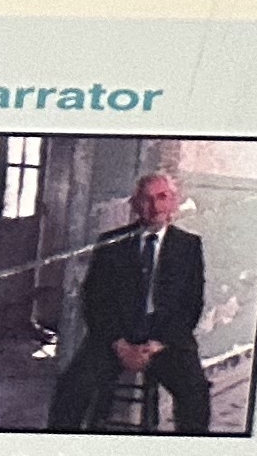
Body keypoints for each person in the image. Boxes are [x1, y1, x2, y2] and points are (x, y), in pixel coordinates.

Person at [48, 171, 210, 435]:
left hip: (165, 341)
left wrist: (157, 344)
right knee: (71, 387)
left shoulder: (189, 246)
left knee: (196, 393)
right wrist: (119, 344)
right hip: (115, 338)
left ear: (173, 202)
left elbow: (191, 305)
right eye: (146, 200)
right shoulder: (112, 243)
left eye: (162, 197)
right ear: (135, 205)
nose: (155, 206)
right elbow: (94, 301)